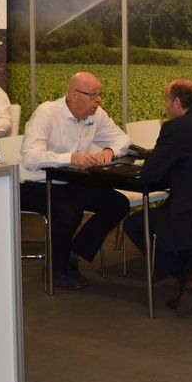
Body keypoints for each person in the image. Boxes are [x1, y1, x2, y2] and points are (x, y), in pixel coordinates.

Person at [122, 78, 192, 315]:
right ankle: (191, 273)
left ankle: (186, 274)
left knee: (134, 224)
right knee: (169, 210)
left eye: (167, 101)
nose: (165, 107)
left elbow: (150, 174)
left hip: (191, 216)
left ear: (176, 102)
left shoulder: (175, 128)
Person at [20, 72, 130, 290]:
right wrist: (70, 158)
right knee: (69, 212)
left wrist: (109, 150)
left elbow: (123, 140)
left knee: (118, 204)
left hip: (71, 180)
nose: (98, 100)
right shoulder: (47, 113)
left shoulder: (96, 114)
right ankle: (56, 271)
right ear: (73, 95)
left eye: (100, 94)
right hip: (35, 182)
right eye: (93, 95)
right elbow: (31, 158)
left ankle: (74, 252)